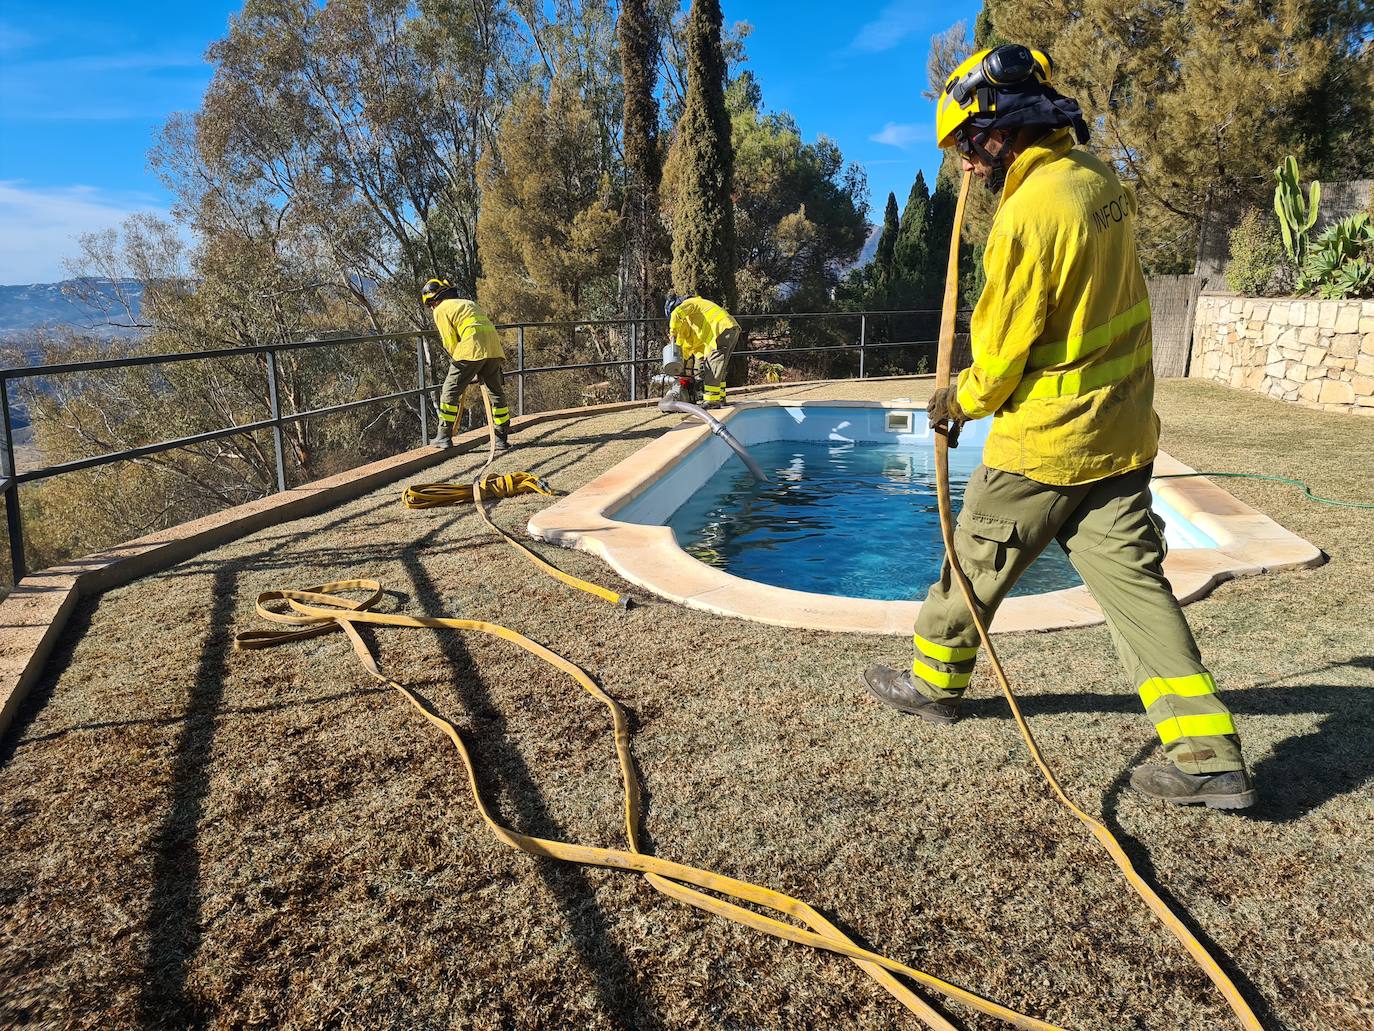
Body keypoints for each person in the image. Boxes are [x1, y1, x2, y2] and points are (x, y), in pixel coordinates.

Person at [861, 44, 1256, 810]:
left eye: (970, 147)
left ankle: (932, 685)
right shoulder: (1099, 183)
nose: (968, 166)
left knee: (971, 559)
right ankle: (1207, 755)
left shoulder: (1028, 218)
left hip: (1046, 444)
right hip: (1121, 436)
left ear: (1001, 129)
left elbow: (1003, 358)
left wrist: (958, 403)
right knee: (1139, 591)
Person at [421, 278, 511, 451]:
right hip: (493, 348)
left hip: (471, 349)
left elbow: (449, 341)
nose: (432, 307)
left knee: (449, 391)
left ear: (436, 299)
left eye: (431, 303)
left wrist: (463, 363)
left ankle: (444, 435)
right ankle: (501, 438)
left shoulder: (441, 309)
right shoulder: (467, 303)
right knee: (496, 393)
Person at [665, 295, 740, 408]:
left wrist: (673, 334)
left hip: (721, 329)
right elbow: (693, 344)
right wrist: (682, 360)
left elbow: (676, 313)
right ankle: (720, 398)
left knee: (713, 365)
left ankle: (711, 401)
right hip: (731, 328)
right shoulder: (697, 311)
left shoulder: (689, 303)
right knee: (720, 366)